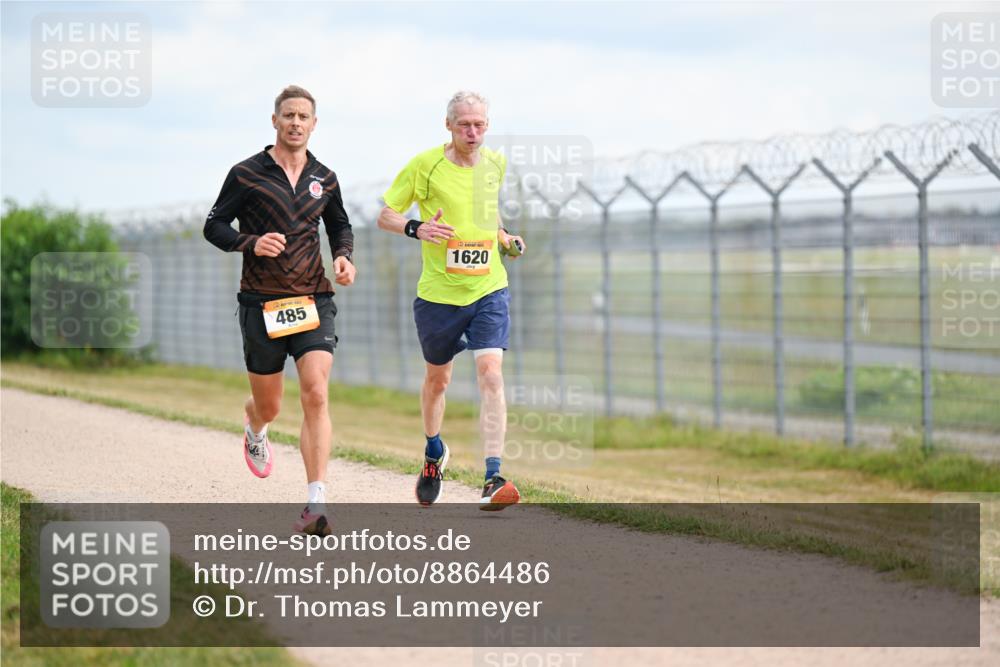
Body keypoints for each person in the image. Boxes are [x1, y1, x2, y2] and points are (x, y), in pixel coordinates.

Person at [204, 85, 355, 535]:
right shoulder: (246, 173)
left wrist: (344, 256)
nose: (295, 122)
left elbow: (340, 224)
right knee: (271, 405)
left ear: (313, 124)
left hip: (313, 298)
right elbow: (213, 225)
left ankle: (316, 502)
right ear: (275, 121)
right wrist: (250, 242)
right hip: (260, 303)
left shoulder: (324, 177)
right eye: (287, 115)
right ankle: (255, 425)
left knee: (316, 391)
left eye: (303, 116)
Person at [377, 91, 525, 511]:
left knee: (491, 374)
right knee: (438, 381)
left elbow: (488, 214)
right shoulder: (426, 165)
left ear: (487, 126)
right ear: (448, 126)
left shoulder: (495, 164)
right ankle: (433, 452)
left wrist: (504, 238)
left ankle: (493, 476)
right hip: (439, 297)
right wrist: (416, 228)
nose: (472, 132)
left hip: (488, 288)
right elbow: (385, 214)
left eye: (479, 124)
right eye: (464, 125)